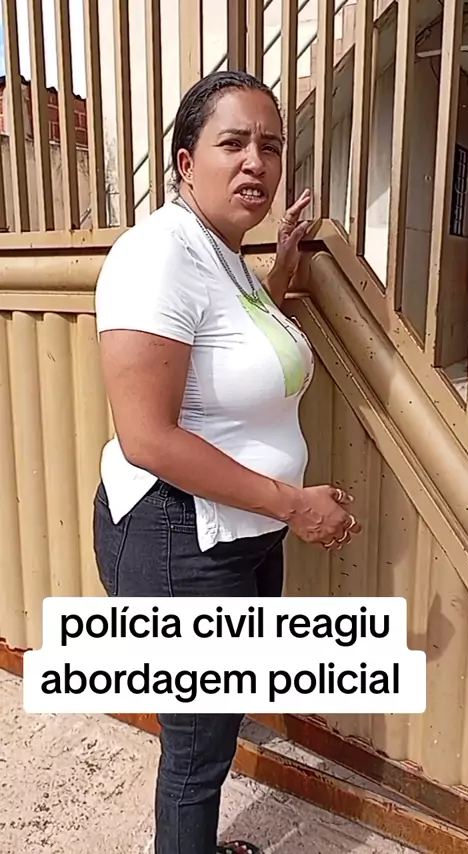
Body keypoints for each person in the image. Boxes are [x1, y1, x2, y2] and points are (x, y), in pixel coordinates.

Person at [93, 70, 361, 854]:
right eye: (234, 143)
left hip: (240, 535)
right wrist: (296, 504)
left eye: (270, 146)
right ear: (186, 162)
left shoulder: (226, 257)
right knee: (197, 753)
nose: (256, 162)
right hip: (180, 539)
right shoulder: (156, 255)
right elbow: (148, 438)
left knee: (218, 719)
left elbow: (227, 348)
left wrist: (279, 271)